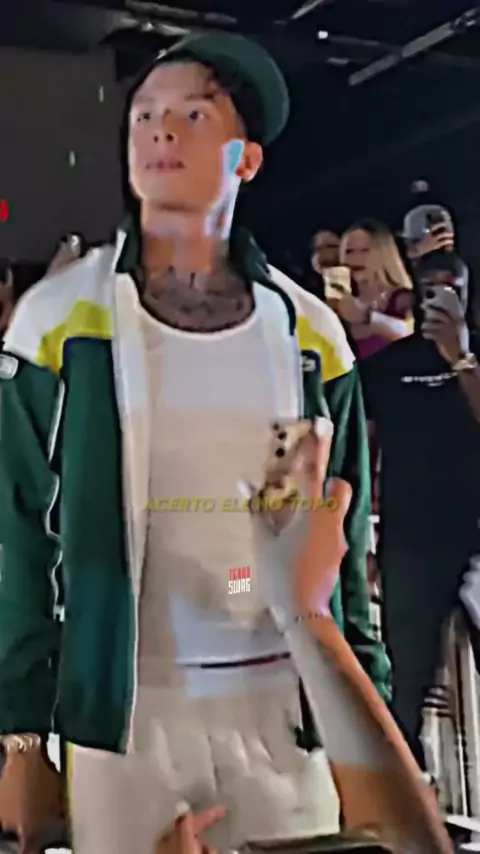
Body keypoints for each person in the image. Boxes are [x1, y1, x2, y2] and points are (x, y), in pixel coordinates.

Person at [0, 32, 388, 854]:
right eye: (144, 116)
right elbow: (15, 537)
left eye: (192, 114)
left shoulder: (311, 335)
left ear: (247, 158)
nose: (160, 132)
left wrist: (369, 719)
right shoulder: (59, 323)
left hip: (283, 708)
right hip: (124, 716)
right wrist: (22, 738)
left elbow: (344, 545)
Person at [361, 248, 480, 773]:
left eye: (451, 286)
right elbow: (364, 452)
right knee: (406, 682)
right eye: (431, 287)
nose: (441, 296)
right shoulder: (387, 366)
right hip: (409, 539)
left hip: (475, 535)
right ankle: (412, 795)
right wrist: (361, 538)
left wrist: (460, 358)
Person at [335, 219, 413, 362]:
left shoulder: (403, 298)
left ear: (384, 254)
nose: (356, 258)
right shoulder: (340, 302)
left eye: (365, 250)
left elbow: (411, 334)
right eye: (349, 251)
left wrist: (369, 317)